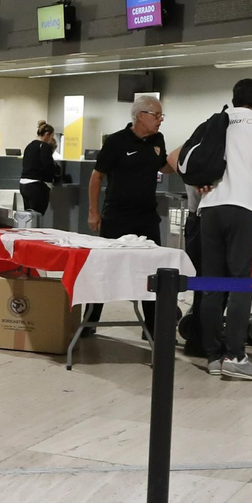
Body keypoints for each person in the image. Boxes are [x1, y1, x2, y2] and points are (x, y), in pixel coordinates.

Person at [198, 78, 252, 380]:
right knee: (241, 284)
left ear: (234, 98)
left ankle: (212, 355)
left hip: (209, 209)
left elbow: (174, 158)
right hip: (244, 209)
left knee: (211, 285)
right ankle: (235, 355)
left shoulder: (215, 121)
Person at [84, 95, 171, 332]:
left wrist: (188, 163)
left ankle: (153, 330)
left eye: (162, 116)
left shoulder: (158, 140)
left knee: (153, 272)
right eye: (157, 115)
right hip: (117, 216)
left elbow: (163, 164)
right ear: (140, 116)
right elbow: (97, 176)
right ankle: (89, 323)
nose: (161, 120)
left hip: (147, 217)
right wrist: (93, 212)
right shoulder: (116, 141)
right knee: (103, 268)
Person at [18, 120, 61, 217]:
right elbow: (48, 166)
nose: (52, 139)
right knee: (38, 216)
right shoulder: (44, 146)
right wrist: (56, 176)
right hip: (37, 186)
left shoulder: (29, 146)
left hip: (23, 185)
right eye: (52, 136)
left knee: (29, 216)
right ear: (47, 134)